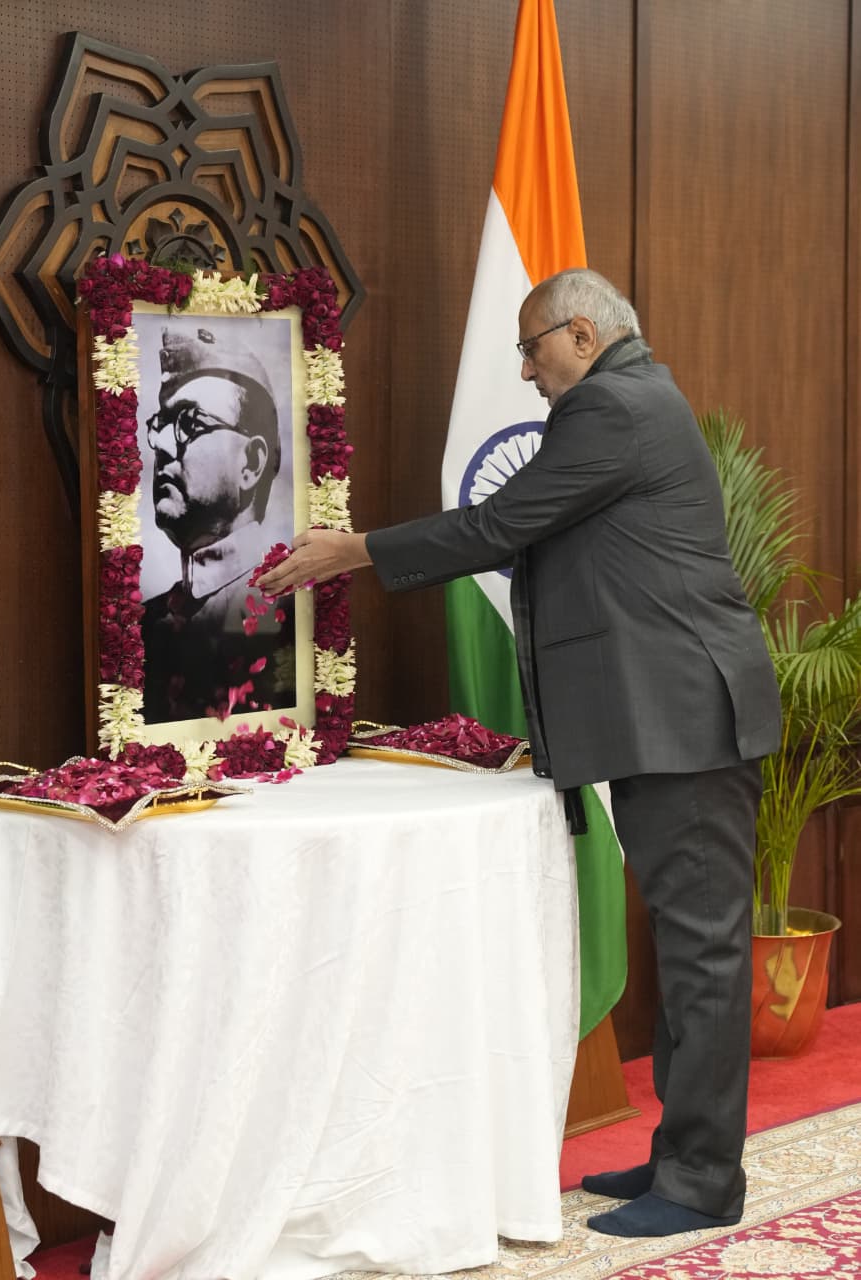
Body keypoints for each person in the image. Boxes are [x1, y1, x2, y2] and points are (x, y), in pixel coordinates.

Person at [259, 268, 782, 1239]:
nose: (526, 369)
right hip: (666, 714)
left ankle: (704, 1179)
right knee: (687, 945)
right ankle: (685, 1154)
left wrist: (356, 549)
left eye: (531, 347)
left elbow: (502, 524)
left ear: (579, 334)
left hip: (685, 718)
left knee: (702, 951)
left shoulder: (612, 407)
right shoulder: (631, 397)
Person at [141, 325, 296, 723]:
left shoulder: (292, 609)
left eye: (190, 424)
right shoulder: (144, 623)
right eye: (159, 427)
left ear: (251, 464)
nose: (160, 447)